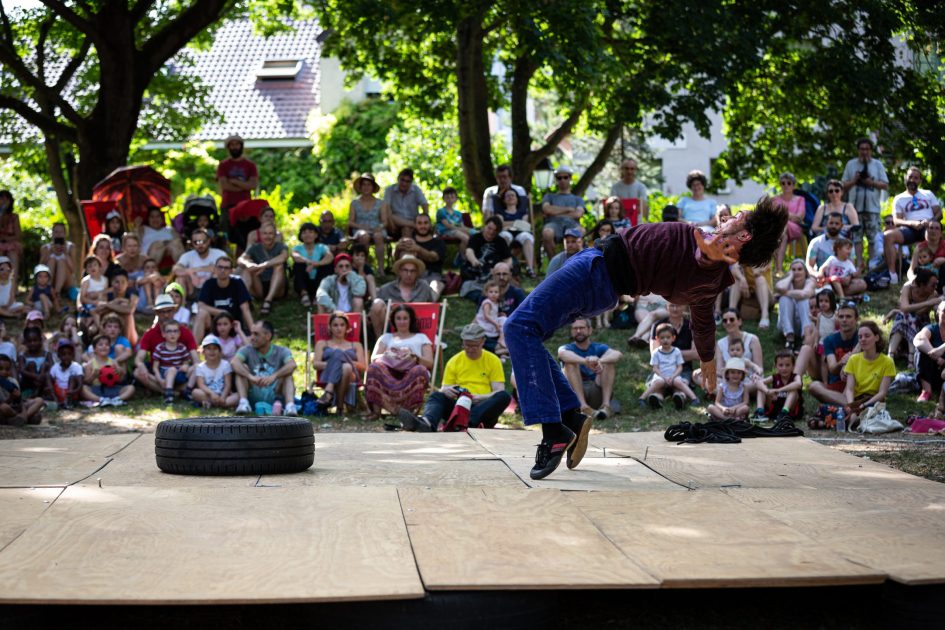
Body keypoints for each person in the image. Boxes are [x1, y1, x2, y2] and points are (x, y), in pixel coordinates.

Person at [504, 198, 786, 479]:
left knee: (518, 327)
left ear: (743, 235)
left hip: (595, 274)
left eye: (738, 215)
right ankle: (569, 418)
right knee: (529, 333)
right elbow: (702, 319)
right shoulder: (710, 270)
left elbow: (703, 262)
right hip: (598, 275)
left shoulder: (710, 260)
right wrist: (708, 358)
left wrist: (710, 254)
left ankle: (554, 431)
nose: (731, 215)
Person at [397, 323, 510, 432]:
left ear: (483, 342)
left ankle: (466, 423)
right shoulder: (454, 361)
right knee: (437, 396)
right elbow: (444, 388)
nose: (470, 349)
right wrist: (449, 391)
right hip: (459, 408)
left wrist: (479, 397)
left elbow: (498, 391)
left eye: (474, 345)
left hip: (482, 408)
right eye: (467, 345)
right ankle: (427, 423)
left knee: (504, 396)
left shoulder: (493, 360)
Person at [365, 304, 432, 418]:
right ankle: (376, 412)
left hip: (411, 372)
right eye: (398, 318)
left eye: (405, 318)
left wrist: (414, 356)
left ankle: (409, 412)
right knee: (374, 368)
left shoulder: (421, 337)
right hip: (389, 373)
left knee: (420, 370)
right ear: (393, 320)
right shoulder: (386, 337)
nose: (402, 321)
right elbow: (374, 358)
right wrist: (391, 355)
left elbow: (430, 363)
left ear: (411, 320)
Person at [884, 167, 943, 284]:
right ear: (906, 178)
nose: (912, 180)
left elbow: (939, 213)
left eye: (916, 178)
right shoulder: (899, 198)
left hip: (927, 226)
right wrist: (911, 223)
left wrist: (930, 222)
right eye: (910, 177)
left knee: (932, 231)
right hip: (909, 228)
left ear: (920, 181)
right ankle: (892, 274)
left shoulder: (928, 194)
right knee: (888, 235)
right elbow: (896, 220)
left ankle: (932, 271)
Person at [558, 318, 623, 419]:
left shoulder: (599, 347)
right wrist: (585, 361)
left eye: (581, 328)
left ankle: (606, 406)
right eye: (575, 328)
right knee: (570, 364)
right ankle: (583, 407)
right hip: (575, 395)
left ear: (590, 330)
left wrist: (600, 361)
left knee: (609, 363)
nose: (578, 331)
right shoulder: (567, 348)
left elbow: (617, 354)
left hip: (596, 390)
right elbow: (562, 355)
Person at [835, 321, 895, 430]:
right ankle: (854, 419)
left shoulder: (887, 362)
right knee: (828, 410)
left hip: (873, 402)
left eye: (867, 336)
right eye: (860, 337)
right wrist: (851, 406)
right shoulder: (854, 359)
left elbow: (882, 393)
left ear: (876, 338)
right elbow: (849, 389)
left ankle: (859, 420)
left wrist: (864, 405)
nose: (863, 339)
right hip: (855, 401)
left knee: (871, 413)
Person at [133, 294, 198, 394]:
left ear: (174, 311)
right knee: (138, 372)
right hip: (158, 371)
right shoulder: (150, 333)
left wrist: (192, 367)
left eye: (169, 311)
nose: (166, 315)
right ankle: (172, 391)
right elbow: (139, 358)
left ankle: (168, 390)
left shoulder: (184, 331)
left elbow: (195, 357)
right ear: (157, 313)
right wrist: (141, 366)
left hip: (179, 371)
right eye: (162, 312)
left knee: (197, 369)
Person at [232, 320, 298, 416]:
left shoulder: (281, 351)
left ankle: (290, 406)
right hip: (254, 390)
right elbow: (234, 362)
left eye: (256, 334)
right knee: (242, 369)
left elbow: (292, 365)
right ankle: (244, 403)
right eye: (251, 334)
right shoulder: (247, 350)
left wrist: (274, 376)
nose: (252, 338)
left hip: (275, 393)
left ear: (268, 336)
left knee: (288, 374)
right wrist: (250, 377)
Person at [841, 137, 888, 262]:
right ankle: (859, 264)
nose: (864, 152)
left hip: (872, 208)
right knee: (856, 237)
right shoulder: (851, 164)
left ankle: (872, 263)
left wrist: (870, 182)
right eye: (862, 149)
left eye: (867, 149)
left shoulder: (877, 164)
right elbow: (843, 186)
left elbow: (885, 185)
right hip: (855, 208)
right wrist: (855, 180)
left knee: (873, 238)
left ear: (871, 150)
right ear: (858, 150)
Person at [310, 311, 366, 414]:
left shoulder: (356, 345)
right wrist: (337, 365)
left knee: (343, 360)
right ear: (330, 327)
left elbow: (363, 367)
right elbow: (315, 364)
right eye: (335, 325)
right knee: (345, 367)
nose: (339, 328)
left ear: (347, 327)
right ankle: (340, 407)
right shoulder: (322, 343)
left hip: (352, 376)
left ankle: (329, 392)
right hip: (327, 374)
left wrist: (342, 360)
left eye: (342, 325)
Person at [886, 268, 939, 370]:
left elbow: (919, 312)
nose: (935, 287)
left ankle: (892, 354)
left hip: (921, 323)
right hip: (905, 320)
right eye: (932, 285)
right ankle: (906, 356)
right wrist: (928, 303)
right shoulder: (908, 287)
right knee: (905, 316)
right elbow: (904, 308)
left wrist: (896, 311)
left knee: (907, 317)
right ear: (923, 285)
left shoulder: (933, 294)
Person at [369, 255, 434, 336]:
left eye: (412, 271)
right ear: (399, 271)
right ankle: (379, 341)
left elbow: (432, 307)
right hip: (392, 327)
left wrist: (437, 327)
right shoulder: (386, 289)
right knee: (377, 303)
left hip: (417, 327)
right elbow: (374, 312)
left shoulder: (424, 287)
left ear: (417, 273)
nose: (409, 274)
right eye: (405, 270)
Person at [193, 257, 254, 342]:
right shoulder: (209, 284)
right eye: (220, 267)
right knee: (201, 313)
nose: (222, 270)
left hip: (233, 325)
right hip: (214, 325)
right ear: (215, 269)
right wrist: (221, 312)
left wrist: (254, 331)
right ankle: (193, 348)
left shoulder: (238, 283)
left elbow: (245, 309)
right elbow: (201, 306)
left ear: (231, 271)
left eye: (226, 268)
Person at [809, 301, 859, 403]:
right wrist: (842, 362)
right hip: (835, 385)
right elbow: (832, 369)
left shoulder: (862, 337)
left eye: (848, 317)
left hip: (855, 384)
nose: (844, 320)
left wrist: (849, 360)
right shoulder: (829, 340)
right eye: (841, 317)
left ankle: (842, 403)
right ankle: (848, 403)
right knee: (814, 386)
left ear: (856, 319)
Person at [641, 323, 698, 410]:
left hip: (674, 375)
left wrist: (672, 377)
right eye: (662, 338)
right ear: (657, 339)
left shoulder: (676, 351)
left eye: (668, 337)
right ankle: (642, 398)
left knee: (679, 383)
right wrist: (663, 377)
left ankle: (694, 398)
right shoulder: (656, 353)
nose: (665, 340)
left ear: (673, 338)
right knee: (657, 383)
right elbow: (655, 368)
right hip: (661, 376)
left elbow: (680, 367)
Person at [239, 222, 288, 316]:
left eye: (270, 233)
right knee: (247, 269)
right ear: (260, 235)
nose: (267, 236)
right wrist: (249, 264)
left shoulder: (281, 246)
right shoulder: (254, 247)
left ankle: (268, 301)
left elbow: (283, 257)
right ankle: (244, 299)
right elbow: (240, 259)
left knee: (279, 266)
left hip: (278, 288)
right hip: (259, 286)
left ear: (275, 235)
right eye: (265, 233)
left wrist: (263, 266)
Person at [394, 213, 446, 300]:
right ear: (415, 225)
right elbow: (397, 261)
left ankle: (428, 305)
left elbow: (433, 257)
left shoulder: (438, 242)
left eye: (425, 223)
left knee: (436, 286)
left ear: (430, 225)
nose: (423, 226)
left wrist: (418, 249)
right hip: (411, 275)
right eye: (420, 223)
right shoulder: (408, 241)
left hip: (432, 276)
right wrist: (397, 249)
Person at [461, 216, 513, 303]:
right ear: (485, 226)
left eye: (495, 230)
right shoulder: (475, 238)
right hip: (475, 274)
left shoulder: (501, 241)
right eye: (489, 228)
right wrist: (474, 261)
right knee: (473, 291)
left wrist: (502, 269)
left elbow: (508, 259)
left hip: (494, 276)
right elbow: (469, 251)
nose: (491, 232)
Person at [540, 166, 586, 261]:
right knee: (547, 233)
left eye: (565, 177)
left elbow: (578, 214)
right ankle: (554, 264)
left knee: (581, 231)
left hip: (572, 224)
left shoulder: (578, 199)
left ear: (570, 178)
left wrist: (555, 212)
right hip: (553, 224)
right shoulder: (549, 196)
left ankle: (576, 263)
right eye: (559, 178)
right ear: (556, 180)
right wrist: (568, 209)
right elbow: (547, 209)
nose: (562, 180)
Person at [811, 179, 861, 266]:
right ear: (827, 193)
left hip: (843, 239)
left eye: (837, 190)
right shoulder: (822, 208)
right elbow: (814, 227)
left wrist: (843, 227)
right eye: (831, 191)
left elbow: (856, 225)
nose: (834, 193)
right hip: (825, 238)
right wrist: (830, 228)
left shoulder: (848, 207)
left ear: (841, 192)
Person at [348, 174, 388, 273]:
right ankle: (365, 267)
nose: (366, 187)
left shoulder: (380, 203)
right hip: (359, 229)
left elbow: (385, 221)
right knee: (364, 236)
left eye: (369, 185)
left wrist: (380, 227)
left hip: (376, 228)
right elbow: (350, 222)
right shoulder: (354, 203)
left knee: (378, 236)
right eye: (364, 185)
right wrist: (361, 226)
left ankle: (381, 268)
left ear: (373, 187)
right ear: (360, 187)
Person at [172, 228, 228, 299]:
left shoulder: (219, 254)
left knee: (217, 275)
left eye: (203, 241)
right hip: (192, 289)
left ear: (209, 241)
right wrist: (190, 273)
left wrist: (197, 270)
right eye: (196, 242)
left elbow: (226, 269)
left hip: (212, 290)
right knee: (180, 278)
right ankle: (181, 308)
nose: (200, 245)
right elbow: (176, 269)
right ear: (192, 243)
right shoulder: (187, 255)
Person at [82, 334, 135, 407]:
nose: (104, 346)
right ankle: (101, 400)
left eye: (107, 345)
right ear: (94, 349)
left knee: (131, 388)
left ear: (110, 348)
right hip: (97, 389)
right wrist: (93, 376)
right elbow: (86, 382)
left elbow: (120, 380)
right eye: (100, 344)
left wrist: (120, 372)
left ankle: (116, 399)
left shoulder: (113, 362)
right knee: (83, 388)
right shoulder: (90, 363)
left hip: (112, 388)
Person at [494, 188, 536, 277]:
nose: (510, 197)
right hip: (506, 232)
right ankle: (503, 266)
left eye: (513, 195)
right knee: (504, 237)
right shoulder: (500, 212)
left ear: (517, 199)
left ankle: (530, 269)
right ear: (504, 200)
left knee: (527, 237)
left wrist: (508, 224)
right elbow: (500, 224)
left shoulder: (523, 212)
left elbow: (524, 225)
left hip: (520, 233)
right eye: (508, 196)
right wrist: (516, 222)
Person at [291, 222, 333, 309]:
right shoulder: (297, 248)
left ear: (316, 235)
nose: (307, 235)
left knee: (326, 266)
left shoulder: (322, 247)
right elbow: (295, 256)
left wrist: (316, 264)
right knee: (298, 265)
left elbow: (330, 257)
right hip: (304, 280)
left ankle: (318, 294)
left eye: (310, 232)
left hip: (318, 280)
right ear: (301, 236)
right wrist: (308, 261)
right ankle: (304, 294)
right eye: (304, 232)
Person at [775, 259, 816, 347]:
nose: (796, 272)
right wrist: (789, 277)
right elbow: (780, 287)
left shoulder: (810, 282)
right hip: (786, 324)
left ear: (805, 272)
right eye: (793, 270)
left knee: (803, 300)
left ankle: (805, 336)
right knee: (784, 299)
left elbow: (804, 294)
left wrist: (785, 293)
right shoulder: (787, 283)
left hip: (804, 324)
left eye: (799, 269)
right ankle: (790, 338)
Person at [772, 172, 807, 273]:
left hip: (796, 228)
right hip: (780, 230)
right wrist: (790, 216)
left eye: (789, 183)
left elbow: (799, 218)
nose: (786, 185)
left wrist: (782, 214)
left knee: (782, 228)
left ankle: (777, 269)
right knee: (783, 236)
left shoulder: (800, 199)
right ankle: (779, 269)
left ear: (793, 185)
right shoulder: (774, 200)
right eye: (783, 183)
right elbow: (773, 216)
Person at [192, 334, 238, 410]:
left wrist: (223, 396)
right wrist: (211, 394)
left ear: (220, 351)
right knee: (195, 392)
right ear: (203, 352)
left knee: (237, 396)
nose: (212, 351)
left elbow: (228, 384)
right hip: (209, 394)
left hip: (224, 394)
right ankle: (220, 404)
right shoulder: (200, 367)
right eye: (208, 349)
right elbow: (201, 385)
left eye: (215, 348)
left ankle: (212, 403)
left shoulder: (225, 364)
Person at [217, 134, 258, 218]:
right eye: (232, 145)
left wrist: (234, 182)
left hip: (245, 205)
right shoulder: (223, 165)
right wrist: (244, 186)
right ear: (228, 148)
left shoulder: (250, 165)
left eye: (237, 144)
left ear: (241, 146)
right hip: (227, 204)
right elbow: (224, 185)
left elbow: (253, 185)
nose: (235, 147)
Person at [756, 349, 803, 422]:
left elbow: (798, 384)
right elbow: (758, 383)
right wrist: (768, 391)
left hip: (790, 409)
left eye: (787, 365)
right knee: (761, 388)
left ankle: (784, 413)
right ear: (775, 366)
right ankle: (760, 413)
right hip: (775, 405)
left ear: (793, 366)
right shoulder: (775, 377)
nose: (784, 368)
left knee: (794, 390)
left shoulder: (795, 377)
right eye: (781, 365)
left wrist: (778, 390)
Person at [913, 301, 945, 403]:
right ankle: (926, 390)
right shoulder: (932, 328)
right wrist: (936, 356)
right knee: (921, 350)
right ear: (938, 312)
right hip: (932, 370)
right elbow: (919, 339)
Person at [383, 168, 429, 239]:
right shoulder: (389, 190)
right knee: (391, 215)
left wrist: (426, 220)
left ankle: (406, 249)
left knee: (406, 229)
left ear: (411, 182)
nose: (404, 183)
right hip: (394, 221)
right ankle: (414, 225)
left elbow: (424, 204)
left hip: (412, 220)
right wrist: (391, 223)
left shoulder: (416, 189)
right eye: (402, 180)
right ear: (398, 179)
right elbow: (386, 208)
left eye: (407, 181)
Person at [0, 353, 42, 426]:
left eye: (7, 369)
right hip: (6, 409)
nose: (4, 372)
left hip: (16, 406)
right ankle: (22, 418)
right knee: (4, 407)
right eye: (0, 369)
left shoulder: (13, 381)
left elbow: (19, 401)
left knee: (39, 400)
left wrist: (22, 408)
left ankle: (23, 417)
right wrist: (11, 398)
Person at [39, 223, 76, 302]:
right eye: (56, 232)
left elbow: (73, 270)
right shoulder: (46, 248)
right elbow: (40, 268)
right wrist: (49, 253)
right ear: (52, 233)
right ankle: (49, 290)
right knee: (52, 261)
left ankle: (56, 293)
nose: (58, 234)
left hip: (67, 282)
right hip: (50, 280)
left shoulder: (71, 247)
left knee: (61, 262)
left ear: (65, 233)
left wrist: (66, 254)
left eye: (61, 232)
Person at [18, 327, 53, 401]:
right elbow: (21, 370)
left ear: (40, 340)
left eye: (35, 340)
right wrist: (36, 376)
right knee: (31, 364)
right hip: (29, 382)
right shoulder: (23, 356)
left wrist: (42, 376)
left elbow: (52, 367)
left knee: (45, 365)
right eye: (29, 341)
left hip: (44, 380)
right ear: (25, 342)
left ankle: (39, 392)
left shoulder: (47, 354)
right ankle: (35, 392)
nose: (32, 343)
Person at [473, 280, 508, 356]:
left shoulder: (496, 302)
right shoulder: (487, 302)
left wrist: (500, 315)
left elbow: (493, 314)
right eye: (491, 292)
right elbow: (487, 316)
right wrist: (496, 324)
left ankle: (501, 339)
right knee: (486, 340)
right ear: (486, 293)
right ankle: (502, 350)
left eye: (496, 292)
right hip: (484, 324)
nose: (493, 294)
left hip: (491, 323)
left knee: (504, 319)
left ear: (499, 293)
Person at [609, 159, 648, 225]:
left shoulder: (641, 187)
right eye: (626, 168)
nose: (629, 171)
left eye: (632, 169)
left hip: (637, 224)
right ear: (622, 170)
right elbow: (612, 208)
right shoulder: (615, 187)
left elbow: (643, 210)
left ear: (635, 170)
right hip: (619, 224)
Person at [435, 186, 473, 253]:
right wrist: (464, 230)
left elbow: (462, 225)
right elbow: (448, 226)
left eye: (452, 197)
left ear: (456, 199)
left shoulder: (458, 213)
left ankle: (460, 257)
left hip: (456, 231)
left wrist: (469, 230)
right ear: (443, 199)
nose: (450, 199)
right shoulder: (441, 211)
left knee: (472, 236)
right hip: (445, 232)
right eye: (447, 197)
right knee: (466, 238)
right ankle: (463, 258)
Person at [908, 221, 945, 286]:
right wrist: (913, 280)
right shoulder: (919, 247)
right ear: (926, 231)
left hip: (942, 279)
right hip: (925, 281)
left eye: (937, 228)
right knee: (906, 287)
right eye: (931, 228)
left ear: (941, 233)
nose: (933, 231)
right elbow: (912, 270)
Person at [50, 339, 83, 409]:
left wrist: (73, 392)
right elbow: (51, 382)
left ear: (73, 355)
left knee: (72, 377)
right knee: (47, 377)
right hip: (59, 391)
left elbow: (80, 385)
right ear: (58, 355)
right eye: (63, 354)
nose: (66, 356)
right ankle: (56, 402)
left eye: (69, 354)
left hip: (72, 393)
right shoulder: (55, 367)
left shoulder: (77, 366)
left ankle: (69, 402)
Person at [0, 190, 23, 282]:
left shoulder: (14, 217)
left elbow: (18, 235)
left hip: (11, 244)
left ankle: (12, 285)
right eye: (1, 199)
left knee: (13, 255)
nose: (4, 201)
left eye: (7, 199)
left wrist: (6, 239)